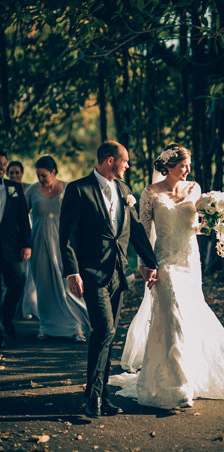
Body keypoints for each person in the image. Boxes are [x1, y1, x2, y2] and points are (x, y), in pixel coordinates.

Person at [107, 144, 224, 409]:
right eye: (182, 165)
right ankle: (177, 387)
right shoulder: (150, 193)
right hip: (164, 262)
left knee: (189, 316)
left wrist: (216, 220)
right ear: (169, 167)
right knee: (171, 317)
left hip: (189, 260)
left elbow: (196, 227)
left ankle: (191, 375)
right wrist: (144, 264)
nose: (187, 170)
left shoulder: (195, 189)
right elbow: (142, 231)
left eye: (188, 165)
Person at [60, 141, 159, 417]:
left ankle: (102, 395)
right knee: (103, 329)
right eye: (124, 161)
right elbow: (66, 235)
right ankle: (92, 399)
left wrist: (152, 263)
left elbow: (136, 231)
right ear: (108, 160)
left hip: (118, 274)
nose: (128, 165)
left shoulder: (125, 190)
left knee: (109, 335)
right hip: (91, 273)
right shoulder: (78, 189)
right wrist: (72, 271)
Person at [26, 156, 89, 342]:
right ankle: (46, 327)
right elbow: (21, 217)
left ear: (54, 172)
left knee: (68, 285)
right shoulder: (32, 191)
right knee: (44, 287)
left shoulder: (69, 189)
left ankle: (77, 327)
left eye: (44, 175)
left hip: (64, 244)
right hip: (39, 244)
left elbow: (80, 218)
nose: (40, 179)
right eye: (38, 175)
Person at [0, 161, 32, 347]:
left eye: (3, 163)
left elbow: (23, 217)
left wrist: (26, 244)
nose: (2, 167)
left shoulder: (14, 187)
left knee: (18, 281)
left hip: (11, 247)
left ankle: (7, 315)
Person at [8, 159, 38, 321]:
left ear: (22, 174)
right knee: (18, 274)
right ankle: (17, 305)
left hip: (30, 233)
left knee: (29, 273)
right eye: (11, 172)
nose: (14, 175)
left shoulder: (29, 189)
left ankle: (29, 304)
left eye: (17, 172)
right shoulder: (8, 189)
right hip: (13, 237)